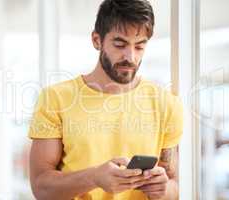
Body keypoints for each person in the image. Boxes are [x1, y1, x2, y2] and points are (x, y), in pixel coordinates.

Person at [28, 0, 183, 199]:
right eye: (120, 44)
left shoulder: (167, 104)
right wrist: (94, 177)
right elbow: (41, 188)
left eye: (139, 47)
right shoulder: (55, 99)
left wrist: (163, 190)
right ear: (96, 40)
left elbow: (175, 186)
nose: (131, 57)